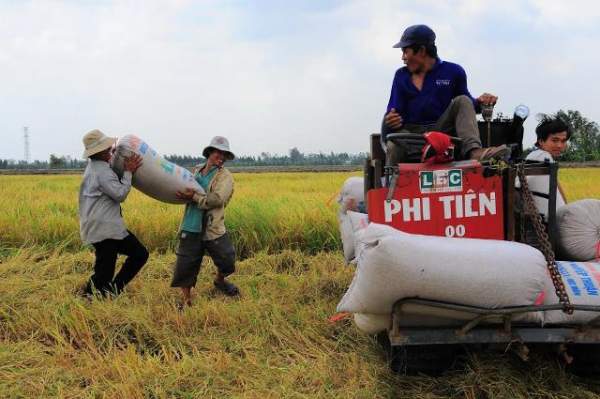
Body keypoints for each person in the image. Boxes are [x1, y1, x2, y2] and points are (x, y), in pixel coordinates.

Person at [382, 24, 508, 164]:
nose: (403, 57)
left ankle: (474, 151)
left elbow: (468, 105)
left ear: (422, 51)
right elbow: (392, 112)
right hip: (411, 135)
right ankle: (391, 181)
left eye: (406, 51)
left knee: (463, 100)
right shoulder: (401, 76)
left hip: (441, 131)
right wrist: (391, 119)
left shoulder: (453, 72)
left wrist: (481, 102)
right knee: (394, 145)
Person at [79, 129, 149, 297]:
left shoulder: (96, 166)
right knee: (105, 271)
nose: (111, 149)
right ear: (99, 151)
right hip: (104, 229)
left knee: (138, 254)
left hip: (106, 226)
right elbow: (120, 194)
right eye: (108, 148)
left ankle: (111, 291)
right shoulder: (101, 172)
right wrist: (128, 172)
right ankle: (91, 295)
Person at [171, 136, 239, 307]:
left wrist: (193, 196)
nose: (221, 157)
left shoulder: (225, 177)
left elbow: (217, 199)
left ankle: (219, 281)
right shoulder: (196, 171)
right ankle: (187, 300)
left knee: (227, 260)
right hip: (191, 223)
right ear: (209, 152)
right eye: (218, 152)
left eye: (224, 154)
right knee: (186, 264)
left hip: (212, 226)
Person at [525, 117, 571, 220]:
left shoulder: (536, 156)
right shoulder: (542, 156)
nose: (559, 145)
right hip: (551, 223)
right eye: (554, 140)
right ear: (541, 141)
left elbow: (556, 184)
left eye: (563, 141)